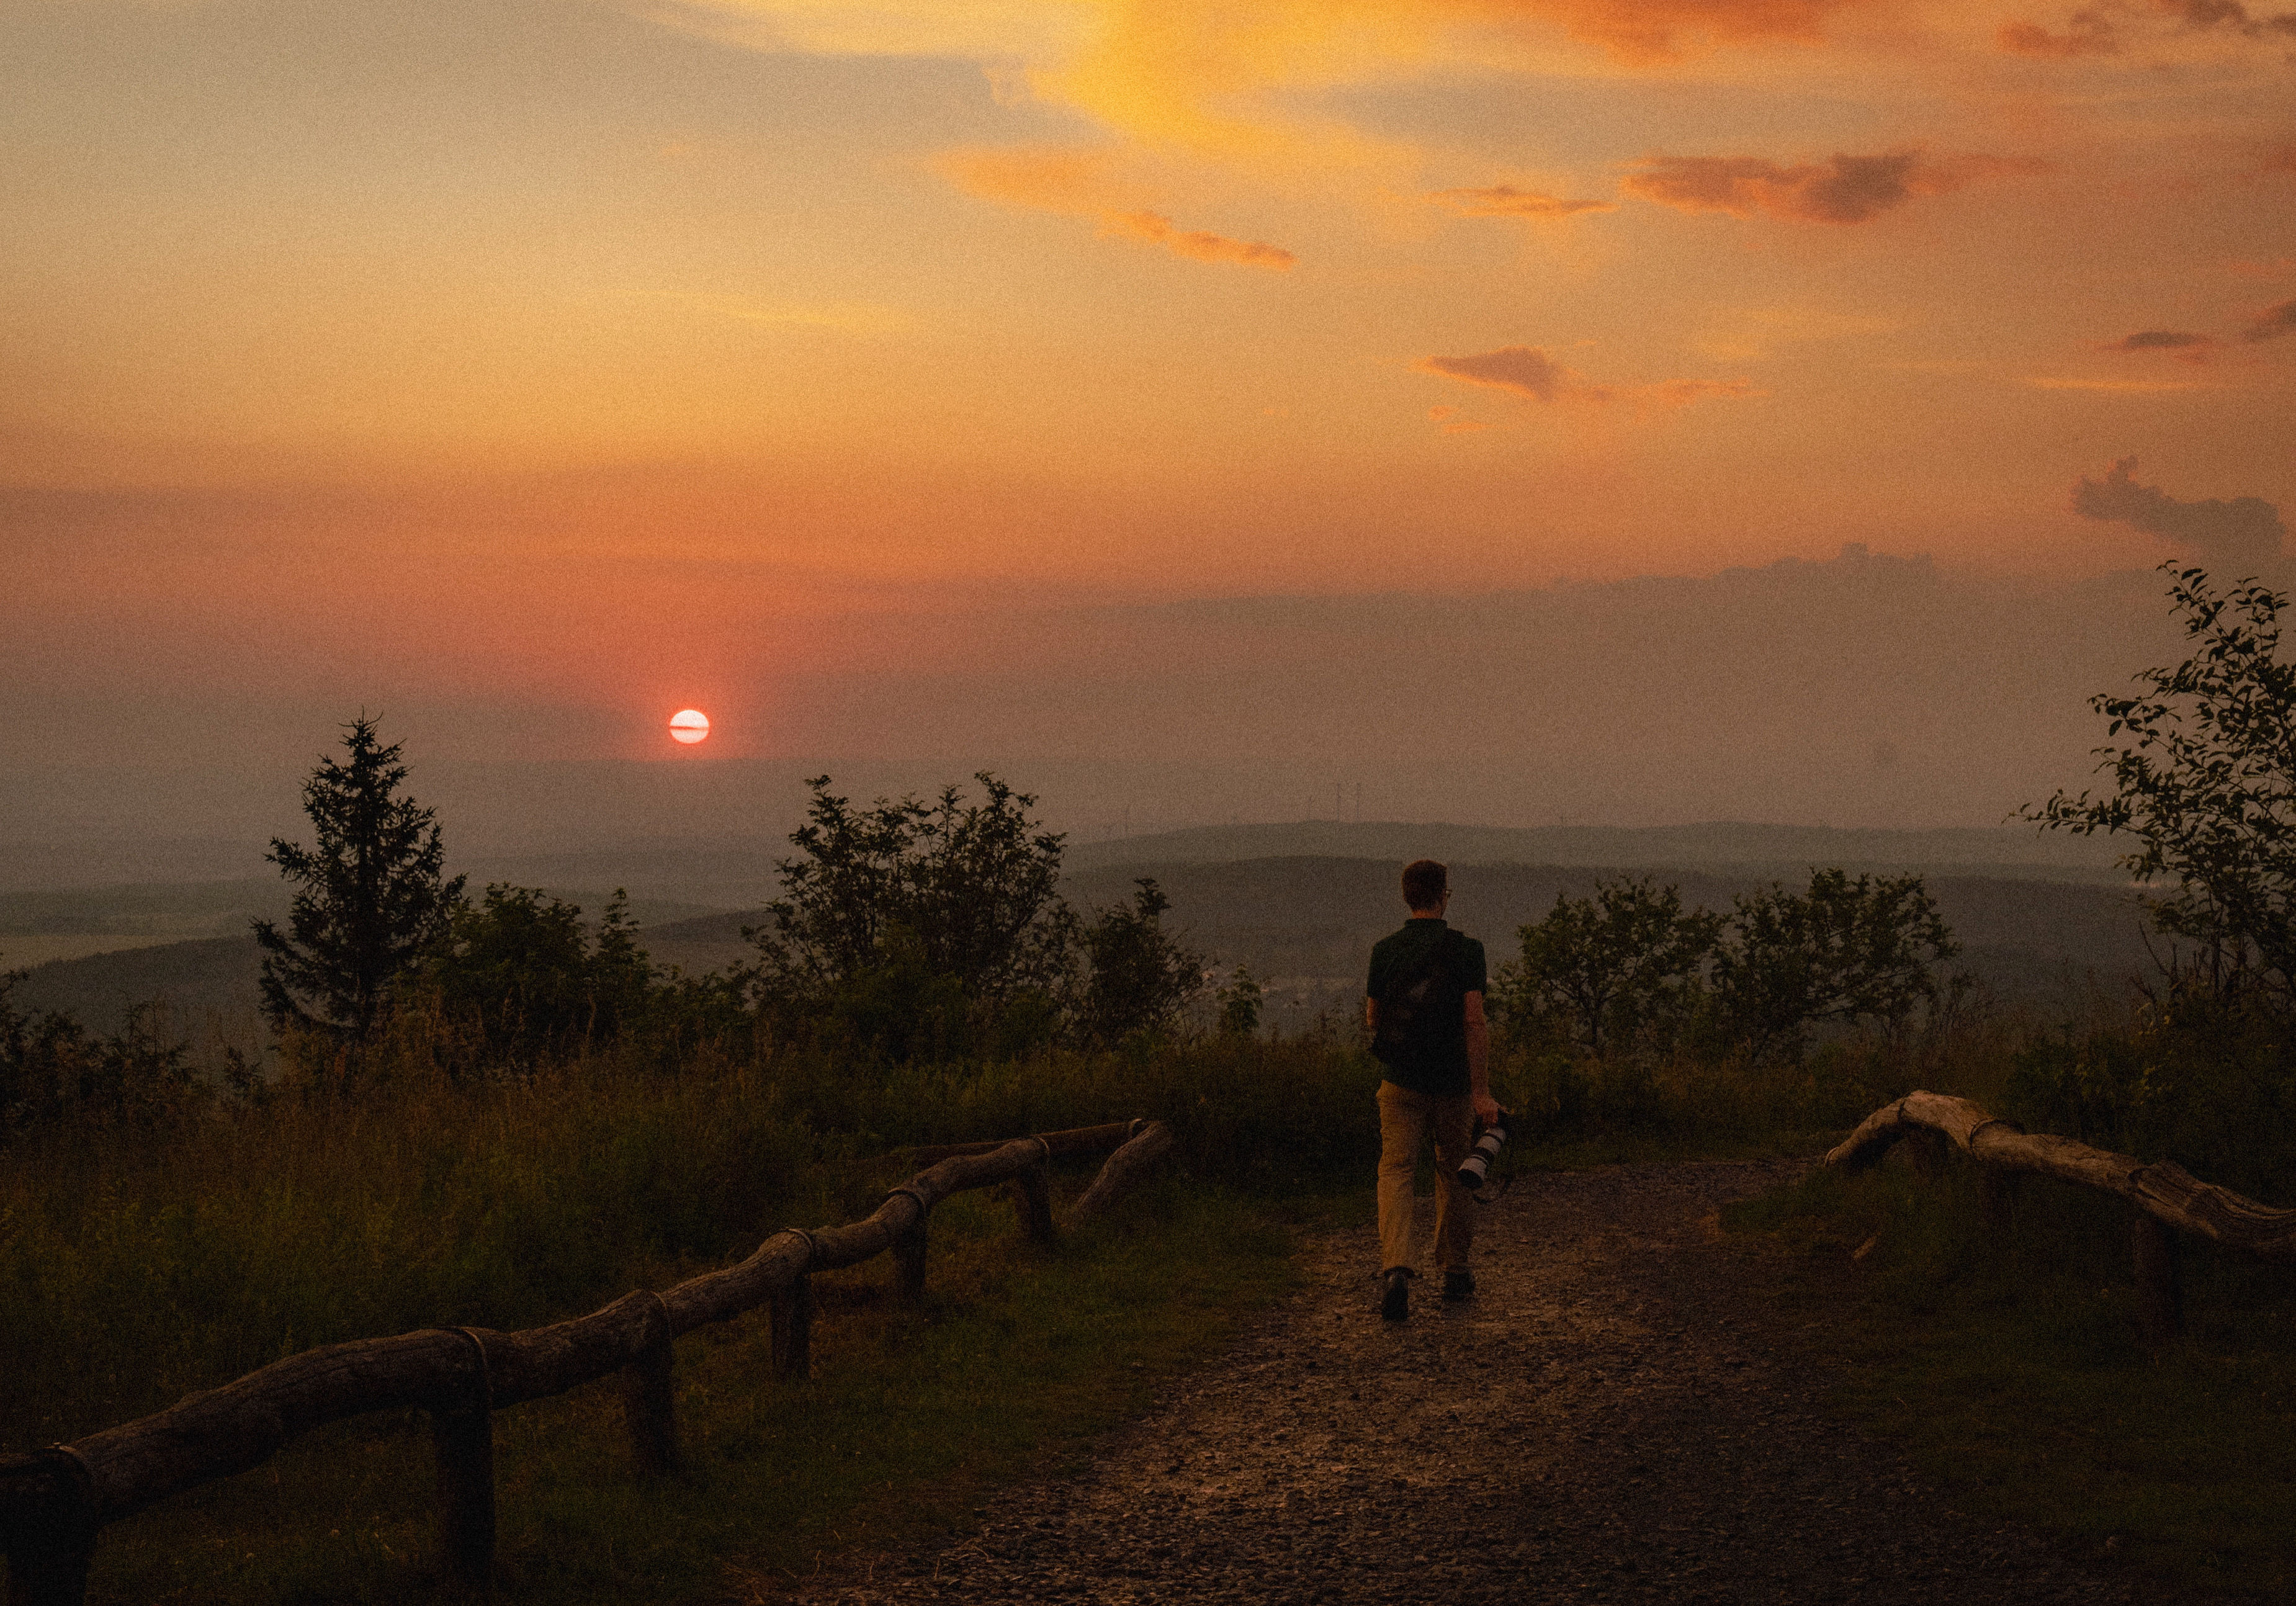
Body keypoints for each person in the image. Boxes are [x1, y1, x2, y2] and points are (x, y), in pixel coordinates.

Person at [1364, 858, 1499, 1321]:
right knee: (1454, 1169)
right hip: (1453, 1086)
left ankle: (1397, 1268)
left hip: (1399, 1081)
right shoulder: (1468, 951)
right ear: (1444, 896)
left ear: (1407, 896)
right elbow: (1474, 1021)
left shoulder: (1385, 951)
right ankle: (1455, 1270)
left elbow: (1372, 1020)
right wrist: (1481, 1092)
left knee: (1396, 1171)